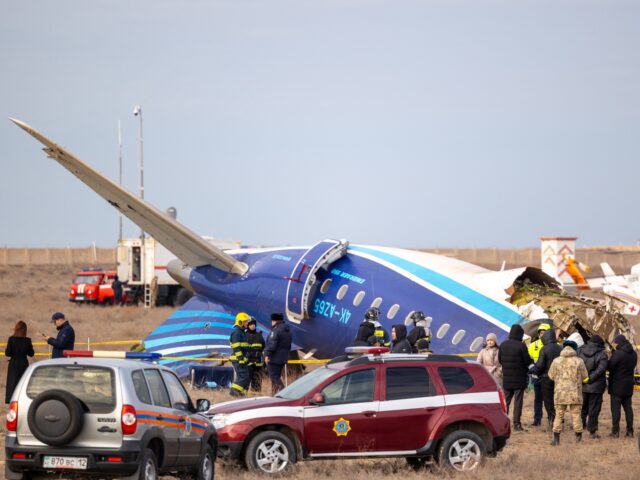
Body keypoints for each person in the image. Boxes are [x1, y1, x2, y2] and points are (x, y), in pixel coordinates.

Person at [547, 340, 589, 446]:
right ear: (574, 349)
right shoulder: (579, 361)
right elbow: (585, 376)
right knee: (576, 415)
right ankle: (578, 440)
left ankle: (556, 440)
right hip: (575, 393)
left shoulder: (556, 361)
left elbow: (551, 376)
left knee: (559, 415)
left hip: (560, 393)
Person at [498, 324, 532, 431]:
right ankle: (517, 424)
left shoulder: (503, 345)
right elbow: (527, 361)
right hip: (519, 379)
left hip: (507, 379)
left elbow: (500, 360)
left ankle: (503, 424)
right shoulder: (521, 346)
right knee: (518, 402)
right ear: (520, 334)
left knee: (506, 402)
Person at [531, 328, 562, 430]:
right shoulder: (560, 348)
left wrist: (533, 370)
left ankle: (552, 422)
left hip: (546, 379)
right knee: (557, 401)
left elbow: (540, 365)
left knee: (548, 401)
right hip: (559, 379)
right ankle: (560, 421)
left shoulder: (544, 349)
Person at [577, 334, 608, 438]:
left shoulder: (580, 351)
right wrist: (590, 378)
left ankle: (580, 426)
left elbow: (577, 365)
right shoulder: (602, 353)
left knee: (583, 407)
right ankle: (592, 431)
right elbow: (601, 369)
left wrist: (584, 378)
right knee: (594, 409)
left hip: (583, 384)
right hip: (596, 386)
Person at [608, 334, 637, 438]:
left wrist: (610, 357)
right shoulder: (634, 353)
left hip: (617, 386)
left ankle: (615, 432)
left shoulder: (618, 353)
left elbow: (610, 367)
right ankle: (630, 431)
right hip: (628, 385)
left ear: (619, 342)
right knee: (628, 408)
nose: (615, 344)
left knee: (616, 410)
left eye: (616, 343)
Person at [528, 322, 552, 427]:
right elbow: (530, 360)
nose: (542, 335)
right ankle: (537, 420)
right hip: (537, 376)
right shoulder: (533, 345)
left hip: (548, 377)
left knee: (550, 399)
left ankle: (551, 418)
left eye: (545, 333)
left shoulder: (553, 346)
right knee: (538, 399)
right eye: (541, 333)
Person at [5, 321, 34, 403]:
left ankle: (11, 401)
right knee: (22, 383)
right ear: (25, 330)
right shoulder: (27, 340)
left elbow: (7, 353)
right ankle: (21, 400)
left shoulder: (11, 339)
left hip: (13, 363)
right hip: (23, 363)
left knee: (12, 383)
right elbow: (31, 354)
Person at [264, 313, 292, 395]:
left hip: (274, 358)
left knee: (275, 378)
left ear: (274, 321)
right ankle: (274, 395)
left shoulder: (276, 331)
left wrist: (267, 354)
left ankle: (286, 393)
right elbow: (288, 345)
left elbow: (272, 344)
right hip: (283, 358)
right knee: (276, 378)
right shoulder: (287, 331)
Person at [229, 312, 251, 396]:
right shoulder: (236, 332)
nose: (247, 323)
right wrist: (241, 358)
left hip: (242, 359)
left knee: (246, 376)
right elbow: (236, 347)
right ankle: (234, 391)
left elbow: (244, 346)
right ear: (240, 322)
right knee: (243, 376)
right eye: (245, 321)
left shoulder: (242, 332)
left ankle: (241, 393)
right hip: (238, 359)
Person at [245, 317, 266, 392]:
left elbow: (264, 346)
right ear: (248, 325)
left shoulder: (259, 335)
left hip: (258, 364)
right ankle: (243, 398)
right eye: (251, 324)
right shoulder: (244, 335)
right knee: (245, 383)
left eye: (254, 324)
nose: (253, 326)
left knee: (257, 383)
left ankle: (256, 398)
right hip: (248, 364)